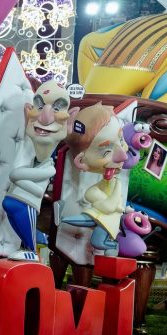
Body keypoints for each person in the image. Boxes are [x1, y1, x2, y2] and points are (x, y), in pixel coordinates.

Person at [2, 81, 72, 260]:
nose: (45, 117)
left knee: (16, 206)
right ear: (28, 112)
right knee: (9, 204)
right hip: (20, 197)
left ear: (69, 121)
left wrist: (19, 178)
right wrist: (20, 178)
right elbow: (17, 175)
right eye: (39, 106)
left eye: (57, 108)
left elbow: (22, 179)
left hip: (28, 202)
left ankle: (31, 249)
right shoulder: (28, 153)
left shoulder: (49, 167)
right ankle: (27, 247)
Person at [62, 104, 128, 256]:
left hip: (108, 222)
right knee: (97, 239)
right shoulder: (93, 191)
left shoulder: (105, 183)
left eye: (121, 139)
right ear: (81, 161)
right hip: (101, 219)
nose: (123, 156)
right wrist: (118, 185)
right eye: (106, 151)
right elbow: (109, 207)